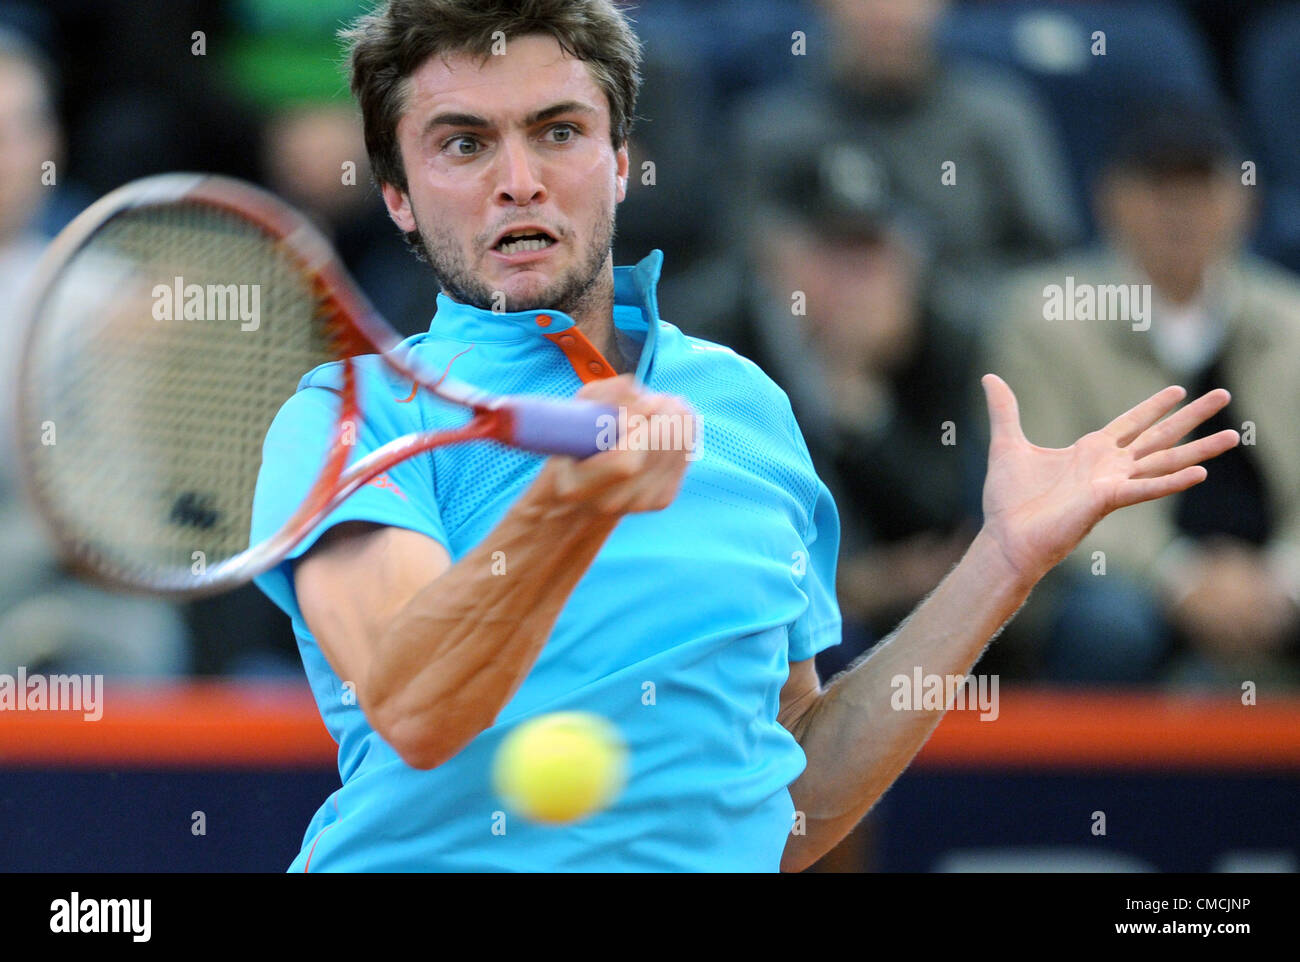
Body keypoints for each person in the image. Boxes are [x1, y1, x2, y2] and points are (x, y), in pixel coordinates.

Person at [250, 0, 1239, 872]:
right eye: (462, 143)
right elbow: (416, 703)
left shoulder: (745, 405)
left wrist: (1000, 563)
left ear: (621, 160)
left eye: (558, 131)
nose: (519, 179)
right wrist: (568, 505)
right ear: (396, 197)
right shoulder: (350, 416)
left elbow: (790, 802)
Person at [986, 97, 1300, 686]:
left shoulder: (1291, 320)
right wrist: (1180, 577)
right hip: (1122, 579)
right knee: (1107, 624)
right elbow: (1045, 486)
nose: (1180, 208)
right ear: (1109, 197)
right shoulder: (1045, 317)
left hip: (1274, 573)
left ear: (1245, 201)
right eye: (1157, 184)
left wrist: (1283, 581)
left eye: (1201, 185)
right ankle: (1084, 778)